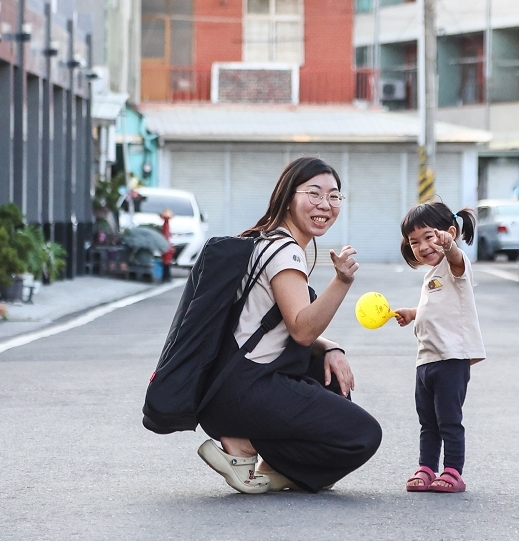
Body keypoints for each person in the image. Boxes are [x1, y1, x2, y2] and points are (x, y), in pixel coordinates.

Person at [196, 156, 382, 494]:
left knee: (332, 383)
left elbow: (282, 327)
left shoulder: (266, 240)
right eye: (314, 193)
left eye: (334, 195)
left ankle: (269, 464)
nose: (325, 204)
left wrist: (331, 347)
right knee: (363, 435)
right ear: (287, 195)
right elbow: (301, 329)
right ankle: (245, 444)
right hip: (248, 389)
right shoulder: (285, 252)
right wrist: (341, 281)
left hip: (232, 386)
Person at [393, 201, 486, 493]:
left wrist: (449, 246)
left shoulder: (456, 265)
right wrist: (412, 313)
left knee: (449, 420)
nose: (422, 246)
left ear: (449, 233)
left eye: (429, 237)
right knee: (427, 421)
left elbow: (456, 258)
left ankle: (453, 471)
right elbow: (436, 308)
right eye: (414, 242)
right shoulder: (430, 276)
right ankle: (426, 467)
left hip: (451, 358)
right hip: (427, 361)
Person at [159, 209, 174, 282]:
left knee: (166, 262)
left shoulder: (166, 224)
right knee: (166, 262)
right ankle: (166, 277)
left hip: (166, 246)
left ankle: (166, 277)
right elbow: (166, 236)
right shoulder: (166, 224)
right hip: (166, 246)